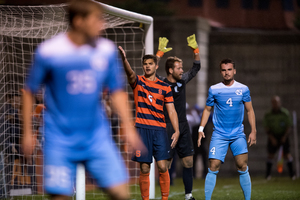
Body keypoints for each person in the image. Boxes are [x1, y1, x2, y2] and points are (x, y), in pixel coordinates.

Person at [22, 1, 144, 199]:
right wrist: (27, 132)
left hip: (97, 137)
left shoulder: (106, 50)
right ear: (79, 21)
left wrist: (129, 128)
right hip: (59, 139)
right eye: (97, 20)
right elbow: (28, 92)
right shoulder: (49, 51)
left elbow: (117, 91)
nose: (102, 25)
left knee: (122, 194)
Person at [118, 46, 180, 200]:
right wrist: (124, 60)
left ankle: (164, 198)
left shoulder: (165, 87)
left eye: (150, 63)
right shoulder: (138, 82)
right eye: (145, 63)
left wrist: (177, 130)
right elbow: (130, 74)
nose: (147, 66)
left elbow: (171, 110)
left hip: (159, 131)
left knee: (162, 166)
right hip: (142, 129)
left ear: (156, 66)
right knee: (145, 168)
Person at [197, 58, 257, 200]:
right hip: (219, 134)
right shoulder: (214, 89)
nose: (227, 73)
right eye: (224, 70)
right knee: (213, 165)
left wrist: (253, 131)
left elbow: (250, 111)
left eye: (229, 69)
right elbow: (207, 110)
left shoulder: (243, 89)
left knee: (242, 165)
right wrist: (201, 128)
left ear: (234, 71)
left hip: (237, 134)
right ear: (220, 72)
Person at [156, 35, 201, 200]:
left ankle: (188, 196)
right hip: (167, 126)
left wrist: (195, 50)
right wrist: (159, 53)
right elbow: (151, 70)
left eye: (182, 68)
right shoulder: (161, 82)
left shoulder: (182, 82)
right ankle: (165, 196)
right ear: (170, 70)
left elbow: (196, 68)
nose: (182, 71)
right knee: (165, 165)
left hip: (183, 126)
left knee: (188, 162)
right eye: (179, 68)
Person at [264, 95, 295, 180]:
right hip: (273, 136)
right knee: (270, 155)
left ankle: (292, 175)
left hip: (283, 136)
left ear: (279, 103)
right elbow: (267, 127)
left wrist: (284, 137)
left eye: (276, 102)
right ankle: (268, 175)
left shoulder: (285, 113)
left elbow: (289, 126)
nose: (275, 104)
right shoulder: (268, 115)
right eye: (273, 103)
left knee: (287, 155)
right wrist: (272, 138)